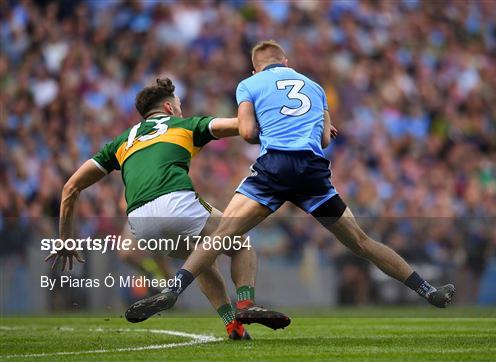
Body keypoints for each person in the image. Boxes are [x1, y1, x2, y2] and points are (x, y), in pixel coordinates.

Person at [131, 40, 455, 326]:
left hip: (275, 166)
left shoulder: (249, 85)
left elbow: (246, 133)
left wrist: (266, 124)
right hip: (312, 172)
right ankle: (428, 291)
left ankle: (173, 290)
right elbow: (326, 139)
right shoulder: (315, 87)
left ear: (256, 68)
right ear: (286, 62)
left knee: (223, 235)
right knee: (362, 242)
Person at [45, 77, 290, 339]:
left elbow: (70, 188)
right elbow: (244, 127)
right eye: (179, 105)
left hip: (140, 225)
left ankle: (232, 326)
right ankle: (245, 305)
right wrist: (289, 121)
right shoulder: (183, 125)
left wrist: (65, 239)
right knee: (240, 244)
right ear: (169, 108)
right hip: (176, 205)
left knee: (202, 257)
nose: (181, 110)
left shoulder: (120, 142)